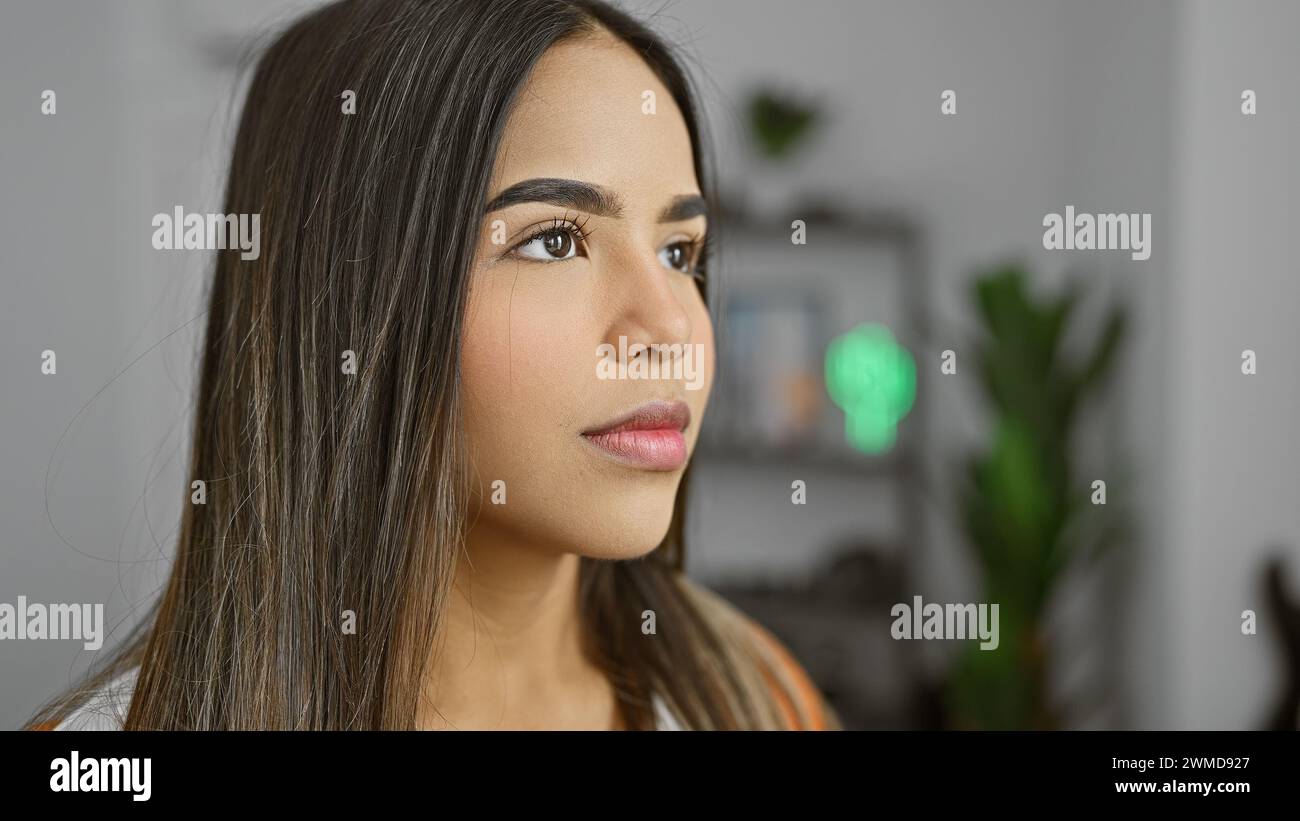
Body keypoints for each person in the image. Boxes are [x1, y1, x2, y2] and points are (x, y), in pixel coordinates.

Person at [29, 0, 835, 731]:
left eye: (679, 250)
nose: (667, 326)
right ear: (348, 293)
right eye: (554, 240)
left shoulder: (755, 696)